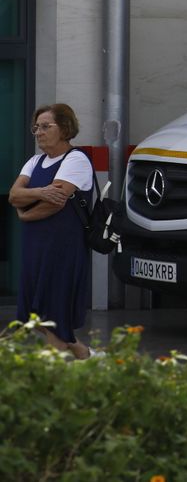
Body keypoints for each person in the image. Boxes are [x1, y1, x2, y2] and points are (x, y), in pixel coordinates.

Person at [8, 103, 96, 359]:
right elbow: (14, 195)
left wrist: (25, 214)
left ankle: (52, 378)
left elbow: (53, 204)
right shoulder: (35, 161)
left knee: (55, 312)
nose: (38, 132)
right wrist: (37, 191)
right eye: (36, 127)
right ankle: (87, 357)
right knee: (37, 314)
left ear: (65, 129)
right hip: (36, 245)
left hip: (63, 248)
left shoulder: (76, 160)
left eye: (46, 126)